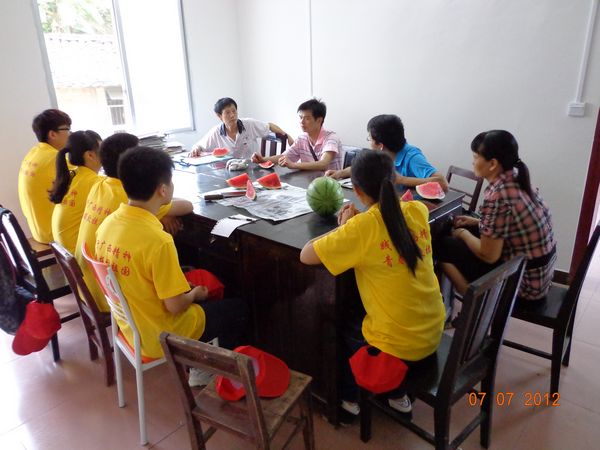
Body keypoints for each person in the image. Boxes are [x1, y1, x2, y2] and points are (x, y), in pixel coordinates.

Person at [300, 150, 445, 423]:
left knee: (343, 326)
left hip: (401, 345)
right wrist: (359, 224)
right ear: (394, 179)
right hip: (432, 329)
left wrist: (344, 228)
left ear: (356, 190)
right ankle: (397, 396)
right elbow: (393, 223)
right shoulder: (416, 211)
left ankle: (350, 401)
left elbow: (306, 255)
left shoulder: (362, 227)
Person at [95, 146, 247, 385]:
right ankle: (207, 371)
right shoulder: (158, 241)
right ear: (163, 190)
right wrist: (195, 295)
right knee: (238, 309)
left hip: (131, 327)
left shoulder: (107, 225)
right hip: (161, 334)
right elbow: (175, 306)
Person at [74, 133, 193, 312]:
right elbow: (186, 206)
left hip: (101, 288)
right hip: (121, 300)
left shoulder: (99, 185)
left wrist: (161, 212)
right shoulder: (157, 236)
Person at [437, 130, 556, 303]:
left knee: (441, 245)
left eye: (476, 157)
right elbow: (511, 223)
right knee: (459, 234)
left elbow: (489, 255)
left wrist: (462, 234)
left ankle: (474, 304)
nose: (473, 161)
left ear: (492, 163)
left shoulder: (499, 195)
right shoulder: (517, 179)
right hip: (540, 276)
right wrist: (477, 222)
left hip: (523, 287)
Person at [325, 114, 448, 191]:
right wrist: (339, 173)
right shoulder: (381, 154)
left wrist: (401, 180)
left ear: (380, 145)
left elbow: (443, 183)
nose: (369, 142)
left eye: (370, 139)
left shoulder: (412, 157)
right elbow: (361, 168)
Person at [18, 109, 72, 243]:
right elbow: (87, 182)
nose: (70, 134)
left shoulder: (34, 153)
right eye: (67, 129)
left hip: (38, 231)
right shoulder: (54, 158)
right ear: (52, 134)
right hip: (53, 234)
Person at [251, 98, 343, 171]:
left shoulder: (331, 138)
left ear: (319, 120)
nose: (302, 122)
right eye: (300, 117)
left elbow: (323, 164)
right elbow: (284, 157)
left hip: (330, 185)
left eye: (307, 118)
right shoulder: (302, 138)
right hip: (309, 183)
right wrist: (263, 159)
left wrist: (294, 165)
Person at [49, 130, 102, 254]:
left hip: (65, 253)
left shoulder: (72, 176)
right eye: (102, 149)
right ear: (90, 155)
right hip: (78, 255)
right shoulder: (95, 182)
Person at [188, 97, 293, 159]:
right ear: (219, 116)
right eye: (227, 113)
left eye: (234, 111)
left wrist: (287, 135)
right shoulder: (216, 132)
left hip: (254, 168)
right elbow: (199, 145)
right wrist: (196, 149)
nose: (232, 115)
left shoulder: (249, 124)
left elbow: (269, 126)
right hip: (229, 171)